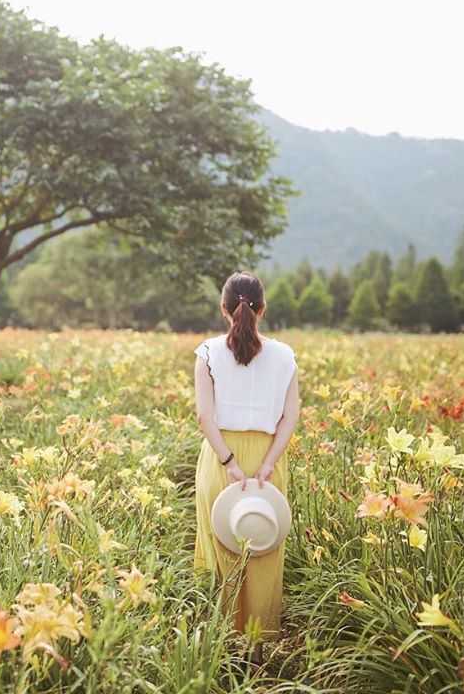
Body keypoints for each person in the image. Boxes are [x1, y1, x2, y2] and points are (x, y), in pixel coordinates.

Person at [192, 271, 300, 659]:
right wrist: (268, 463)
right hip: (269, 458)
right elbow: (290, 417)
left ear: (223, 308)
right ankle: (261, 647)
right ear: (263, 309)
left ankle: (224, 646)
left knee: (224, 546)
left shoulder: (207, 353)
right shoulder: (285, 356)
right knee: (264, 545)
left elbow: (205, 417)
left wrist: (230, 463)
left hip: (223, 457)